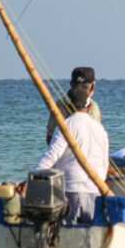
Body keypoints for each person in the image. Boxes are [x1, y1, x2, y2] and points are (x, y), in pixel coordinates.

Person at [33, 84, 109, 225]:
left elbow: (52, 154)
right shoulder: (100, 129)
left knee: (68, 235)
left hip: (71, 190)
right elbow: (105, 162)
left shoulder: (66, 125)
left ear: (69, 105)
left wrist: (32, 178)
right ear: (88, 104)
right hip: (95, 191)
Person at [46, 66, 101, 144]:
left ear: (71, 84)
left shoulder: (58, 105)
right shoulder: (94, 108)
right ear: (92, 86)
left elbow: (49, 138)